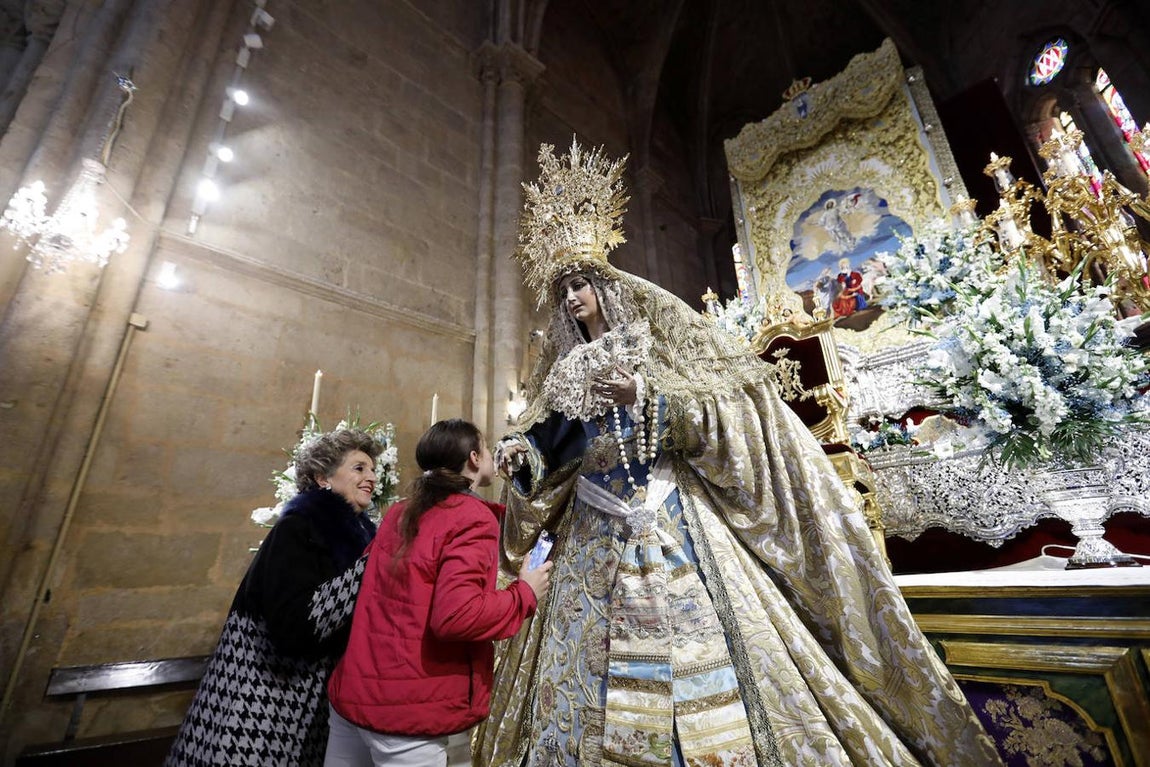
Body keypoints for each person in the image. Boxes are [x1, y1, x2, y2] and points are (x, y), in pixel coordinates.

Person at [473, 140, 1004, 767]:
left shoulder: (655, 343)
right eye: (562, 289)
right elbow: (553, 442)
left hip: (670, 511)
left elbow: (717, 417)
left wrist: (647, 396)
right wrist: (520, 457)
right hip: (594, 523)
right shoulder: (564, 370)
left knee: (713, 652)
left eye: (581, 284)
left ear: (605, 285)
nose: (570, 298)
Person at [324, 419, 551, 766]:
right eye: (488, 448)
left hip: (357, 692)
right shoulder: (470, 517)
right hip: (409, 711)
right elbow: (457, 617)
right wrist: (524, 593)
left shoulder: (402, 510)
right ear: (475, 458)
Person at [166, 428, 383, 767]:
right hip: (261, 702)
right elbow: (293, 625)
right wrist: (375, 562)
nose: (371, 477)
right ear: (322, 477)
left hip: (308, 705)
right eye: (359, 468)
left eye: (373, 470)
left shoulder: (360, 536)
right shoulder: (298, 529)